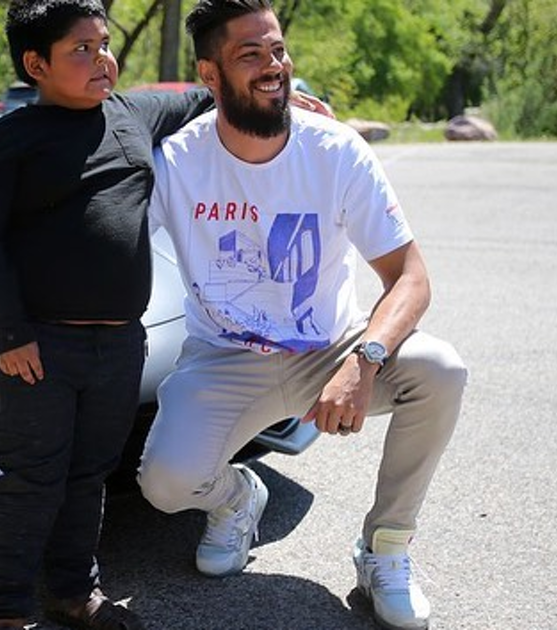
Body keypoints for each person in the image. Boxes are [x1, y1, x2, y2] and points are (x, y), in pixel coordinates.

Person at [134, 2, 466, 629]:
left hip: (331, 349)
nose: (274, 66)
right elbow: (92, 219)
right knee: (165, 485)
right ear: (209, 75)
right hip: (225, 356)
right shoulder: (176, 162)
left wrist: (365, 360)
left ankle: (385, 548)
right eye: (250, 55)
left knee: (440, 370)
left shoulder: (335, 150)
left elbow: (411, 277)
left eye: (278, 50)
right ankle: (237, 499)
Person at [0, 1, 216, 628]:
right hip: (34, 346)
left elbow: (206, 97)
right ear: (36, 64)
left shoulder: (134, 114)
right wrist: (12, 333)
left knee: (88, 475)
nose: (102, 59)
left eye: (104, 44)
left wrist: (283, 100)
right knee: (30, 479)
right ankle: (6, 611)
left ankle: (76, 592)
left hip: (118, 346)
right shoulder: (8, 140)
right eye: (81, 49)